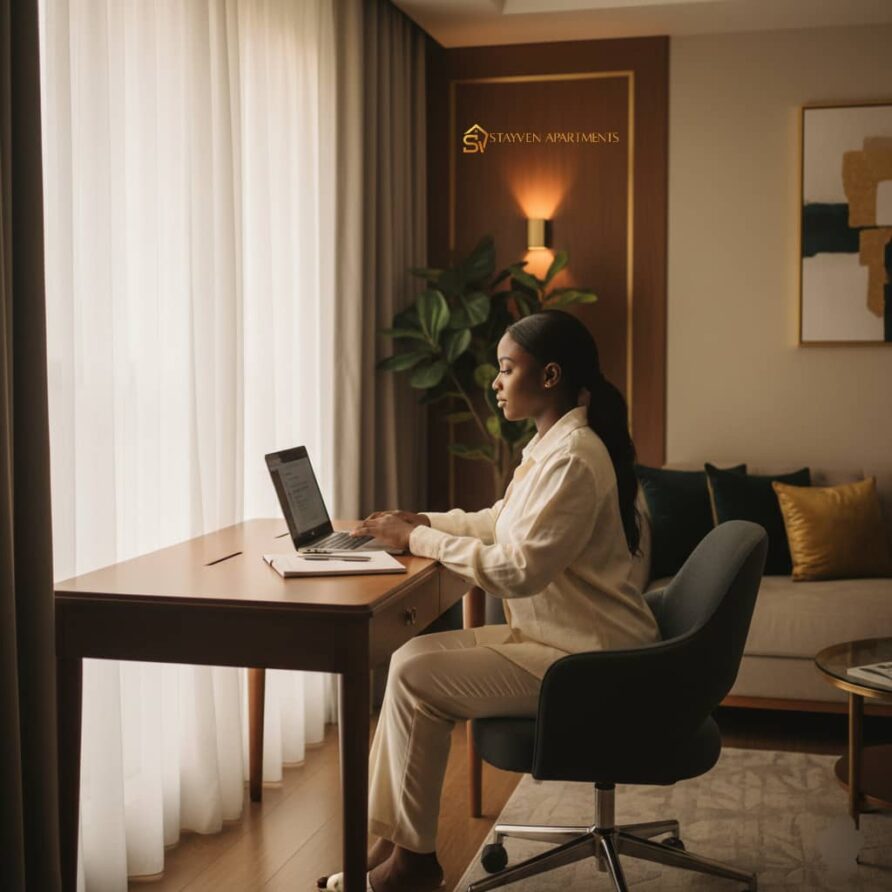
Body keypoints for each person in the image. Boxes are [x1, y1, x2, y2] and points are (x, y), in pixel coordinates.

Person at [320, 308, 660, 892]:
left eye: (506, 369)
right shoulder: (553, 447)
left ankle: (410, 862)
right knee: (411, 661)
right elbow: (500, 522)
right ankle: (399, 847)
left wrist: (418, 540)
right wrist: (421, 520)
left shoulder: (575, 457)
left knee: (414, 673)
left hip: (591, 660)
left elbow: (519, 569)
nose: (496, 382)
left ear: (548, 376)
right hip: (565, 639)